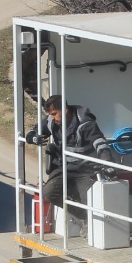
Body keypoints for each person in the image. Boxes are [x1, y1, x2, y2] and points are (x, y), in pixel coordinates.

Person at [28, 94, 104, 226]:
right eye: (50, 115)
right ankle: (84, 218)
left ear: (65, 110)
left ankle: (90, 225)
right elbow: (31, 132)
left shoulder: (85, 123)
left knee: (89, 200)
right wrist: (34, 138)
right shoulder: (52, 122)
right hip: (65, 168)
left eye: (54, 114)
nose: (51, 118)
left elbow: (100, 143)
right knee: (49, 193)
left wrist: (107, 163)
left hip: (86, 170)